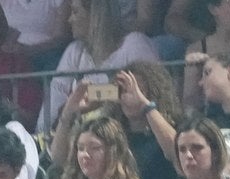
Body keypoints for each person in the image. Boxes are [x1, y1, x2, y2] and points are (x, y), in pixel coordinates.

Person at [40, 0, 159, 135]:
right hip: (84, 139)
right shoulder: (74, 51)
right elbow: (56, 95)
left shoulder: (135, 44)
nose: (69, 20)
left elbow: (149, 89)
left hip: (134, 134)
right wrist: (43, 130)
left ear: (95, 17)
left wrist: (93, 94)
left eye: (75, 12)